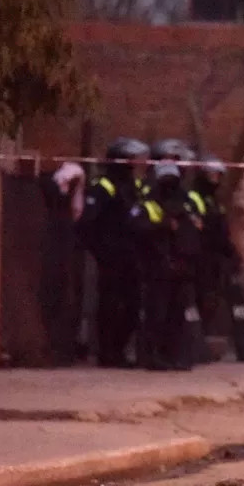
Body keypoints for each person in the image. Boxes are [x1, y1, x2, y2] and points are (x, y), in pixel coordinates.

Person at [77, 138, 150, 368]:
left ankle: (119, 350)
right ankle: (107, 354)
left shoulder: (133, 186)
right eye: (131, 160)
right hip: (111, 258)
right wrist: (101, 252)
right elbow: (86, 224)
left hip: (132, 257)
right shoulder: (104, 187)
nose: (135, 164)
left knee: (133, 306)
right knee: (110, 306)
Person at [130, 162, 206, 371]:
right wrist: (163, 226)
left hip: (182, 268)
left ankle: (176, 356)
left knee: (177, 315)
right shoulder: (148, 204)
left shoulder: (186, 204)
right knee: (156, 314)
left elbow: (195, 234)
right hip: (157, 268)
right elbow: (136, 228)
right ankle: (154, 356)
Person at [192, 156, 244, 362]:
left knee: (222, 302)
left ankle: (241, 348)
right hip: (201, 258)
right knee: (202, 302)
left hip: (217, 258)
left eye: (218, 175)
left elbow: (221, 231)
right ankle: (198, 347)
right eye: (212, 175)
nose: (215, 179)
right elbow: (203, 230)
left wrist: (232, 253)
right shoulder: (195, 197)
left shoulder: (214, 201)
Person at [40, 162, 88, 365]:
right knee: (53, 297)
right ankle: (52, 349)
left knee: (65, 296)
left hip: (66, 250)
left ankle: (62, 350)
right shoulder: (47, 190)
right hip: (50, 251)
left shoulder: (71, 197)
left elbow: (78, 211)